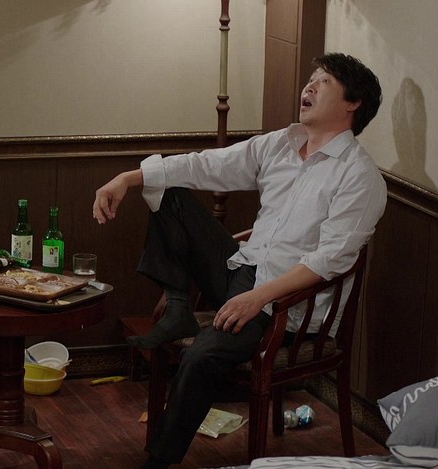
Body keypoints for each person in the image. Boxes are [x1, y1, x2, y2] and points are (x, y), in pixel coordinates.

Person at [92, 53, 386, 469]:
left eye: (324, 82)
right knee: (169, 191)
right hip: (242, 271)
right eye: (311, 78)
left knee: (201, 357)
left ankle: (159, 461)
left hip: (286, 307)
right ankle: (179, 306)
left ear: (353, 102)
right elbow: (208, 164)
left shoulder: (359, 176)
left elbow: (328, 261)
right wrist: (128, 178)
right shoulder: (280, 144)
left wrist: (258, 297)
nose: (309, 86)